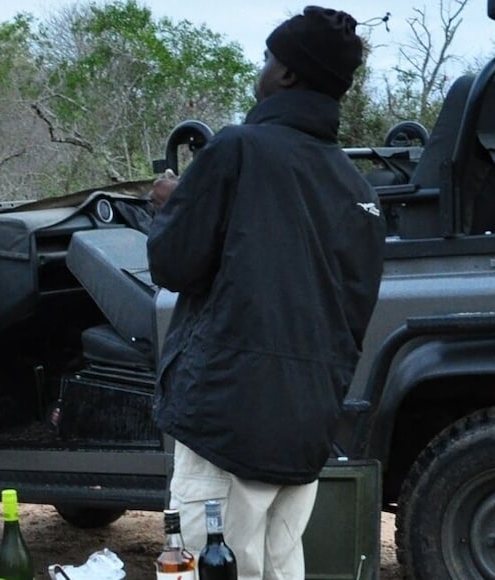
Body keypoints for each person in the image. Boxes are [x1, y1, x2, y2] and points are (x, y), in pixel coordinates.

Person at [146, 6, 387, 579]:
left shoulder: (237, 150)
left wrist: (168, 207)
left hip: (227, 423)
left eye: (267, 57)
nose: (262, 68)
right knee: (280, 570)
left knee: (212, 568)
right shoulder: (360, 191)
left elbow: (172, 264)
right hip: (305, 429)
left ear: (287, 75)